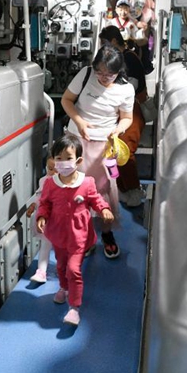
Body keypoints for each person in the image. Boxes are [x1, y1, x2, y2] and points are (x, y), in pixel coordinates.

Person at [60, 45, 134, 258]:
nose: (103, 77)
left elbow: (127, 118)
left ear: (118, 71)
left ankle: (107, 232)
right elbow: (66, 100)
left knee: (104, 190)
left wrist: (117, 130)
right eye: (99, 72)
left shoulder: (126, 89)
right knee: (75, 190)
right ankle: (83, 235)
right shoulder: (85, 75)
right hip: (76, 142)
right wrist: (80, 122)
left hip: (105, 147)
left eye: (109, 74)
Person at [36, 135, 114, 326]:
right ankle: (63, 288)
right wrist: (42, 216)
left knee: (73, 269)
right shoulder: (50, 183)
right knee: (61, 266)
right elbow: (45, 203)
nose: (63, 162)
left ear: (78, 161)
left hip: (79, 235)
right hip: (58, 234)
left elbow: (95, 199)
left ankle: (74, 307)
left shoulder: (86, 182)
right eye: (59, 158)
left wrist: (104, 209)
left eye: (68, 158)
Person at [99, 26, 149, 207]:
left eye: (104, 43)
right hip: (118, 109)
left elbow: (132, 85)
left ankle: (134, 190)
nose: (103, 47)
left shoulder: (129, 58)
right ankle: (121, 189)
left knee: (125, 151)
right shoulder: (118, 59)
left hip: (132, 109)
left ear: (113, 41)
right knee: (114, 152)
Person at [26, 158, 57, 283]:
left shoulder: (66, 182)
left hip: (61, 220)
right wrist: (34, 205)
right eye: (50, 169)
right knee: (45, 244)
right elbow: (39, 196)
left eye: (56, 169)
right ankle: (41, 272)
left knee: (62, 248)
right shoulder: (44, 181)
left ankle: (66, 269)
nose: (53, 172)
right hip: (48, 220)